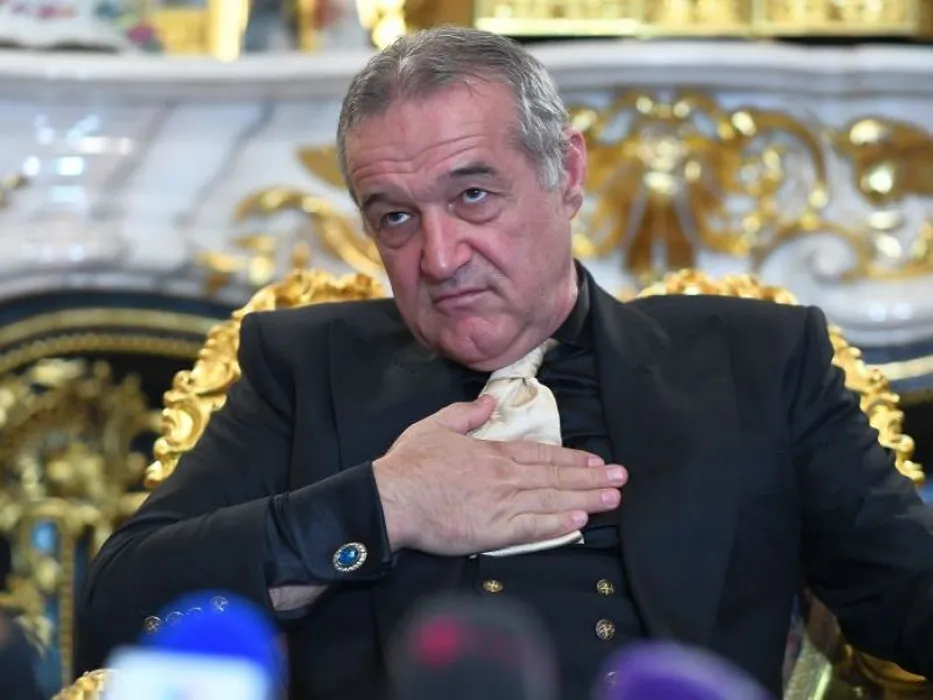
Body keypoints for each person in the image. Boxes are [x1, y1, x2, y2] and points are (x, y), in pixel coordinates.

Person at [77, 26, 933, 699]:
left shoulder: (758, 361)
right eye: (395, 217)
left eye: (473, 195)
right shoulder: (303, 369)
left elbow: (910, 599)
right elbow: (117, 608)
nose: (440, 256)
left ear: (566, 172)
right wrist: (383, 506)